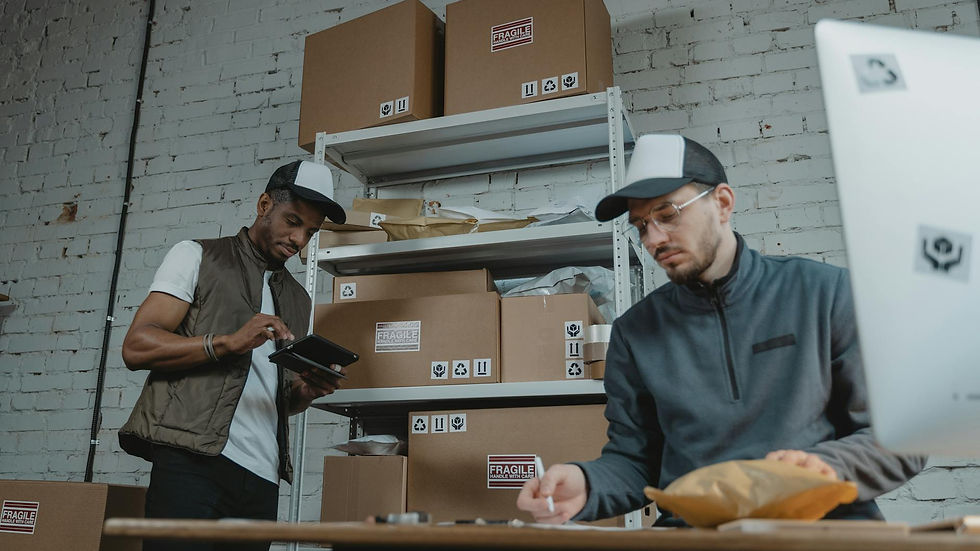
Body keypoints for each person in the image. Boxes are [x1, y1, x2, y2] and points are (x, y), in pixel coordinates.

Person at [516, 134, 925, 525]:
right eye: (641, 225)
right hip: (699, 535)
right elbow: (637, 461)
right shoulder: (635, 333)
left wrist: (826, 466)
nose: (654, 239)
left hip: (823, 528)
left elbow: (902, 439)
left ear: (723, 203)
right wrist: (587, 483)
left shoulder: (826, 293)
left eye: (668, 215)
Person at [119, 160, 347, 550]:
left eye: (310, 231)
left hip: (262, 478)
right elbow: (136, 346)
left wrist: (305, 392)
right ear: (264, 205)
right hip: (192, 463)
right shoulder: (197, 255)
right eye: (292, 221)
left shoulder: (298, 299)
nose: (299, 239)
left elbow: (280, 399)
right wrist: (226, 343)